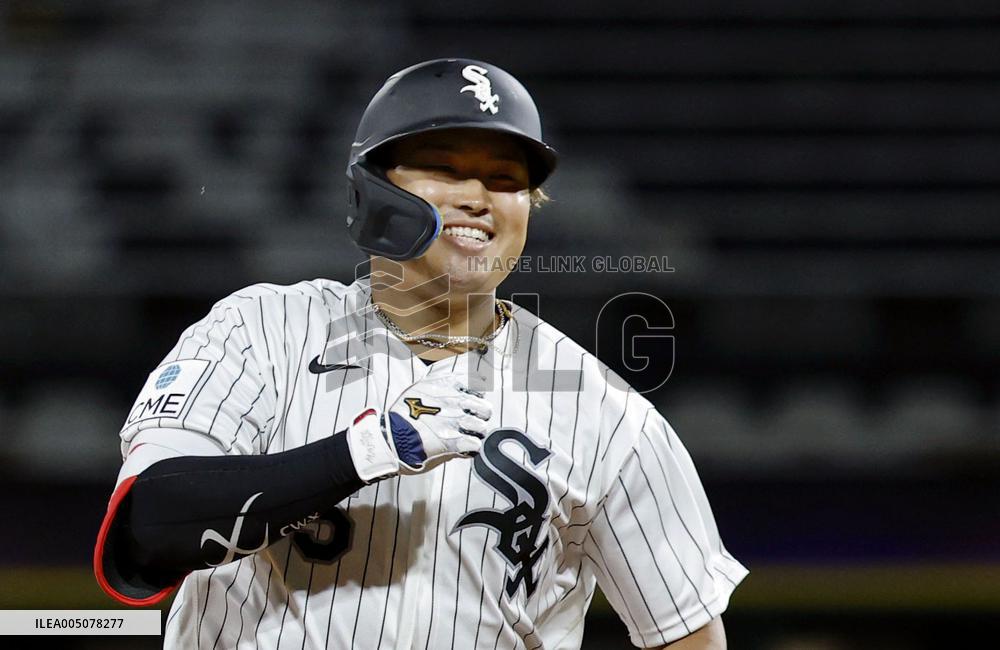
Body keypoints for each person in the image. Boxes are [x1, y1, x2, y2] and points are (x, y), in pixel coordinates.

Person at [94, 58, 747, 650]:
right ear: (370, 194)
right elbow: (150, 525)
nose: (477, 196)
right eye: (444, 168)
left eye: (504, 178)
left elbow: (685, 634)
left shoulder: (606, 413)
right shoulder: (261, 330)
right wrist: (361, 453)